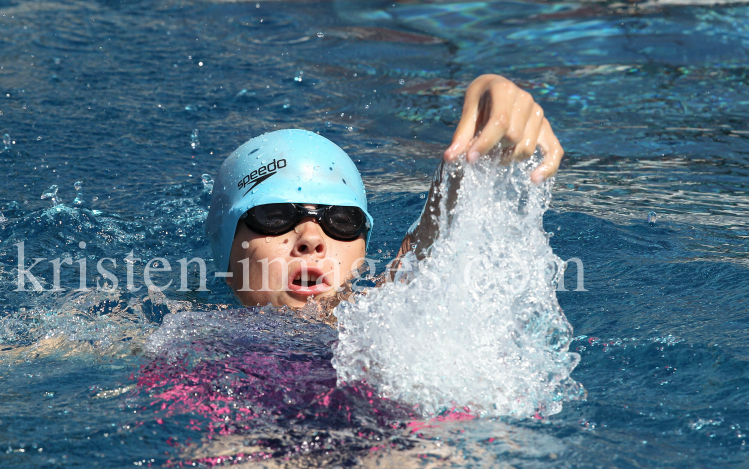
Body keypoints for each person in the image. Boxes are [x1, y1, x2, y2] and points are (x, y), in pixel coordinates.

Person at [207, 73, 562, 309]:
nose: (312, 238)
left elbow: (434, 234)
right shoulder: (184, 341)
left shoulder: (381, 320)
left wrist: (491, 110)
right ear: (226, 241)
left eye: (342, 220)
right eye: (276, 215)